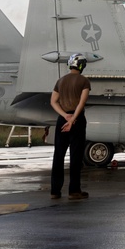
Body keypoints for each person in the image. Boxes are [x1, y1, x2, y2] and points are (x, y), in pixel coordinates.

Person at [50, 53, 92, 200]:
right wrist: (73, 119)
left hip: (62, 120)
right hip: (77, 120)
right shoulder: (84, 81)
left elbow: (53, 102)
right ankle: (74, 191)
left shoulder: (60, 81)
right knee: (75, 156)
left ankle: (55, 191)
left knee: (58, 155)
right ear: (81, 66)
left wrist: (65, 116)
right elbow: (81, 102)